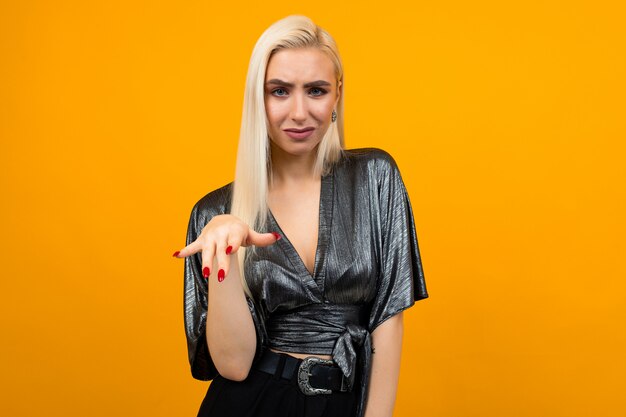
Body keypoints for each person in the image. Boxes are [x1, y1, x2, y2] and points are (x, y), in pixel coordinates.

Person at [173, 15, 428, 417]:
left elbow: (388, 319)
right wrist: (224, 253)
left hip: (345, 402)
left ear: (337, 95)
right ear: (258, 98)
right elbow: (234, 366)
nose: (298, 111)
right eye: (279, 91)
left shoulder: (376, 177)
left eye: (315, 90)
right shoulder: (214, 212)